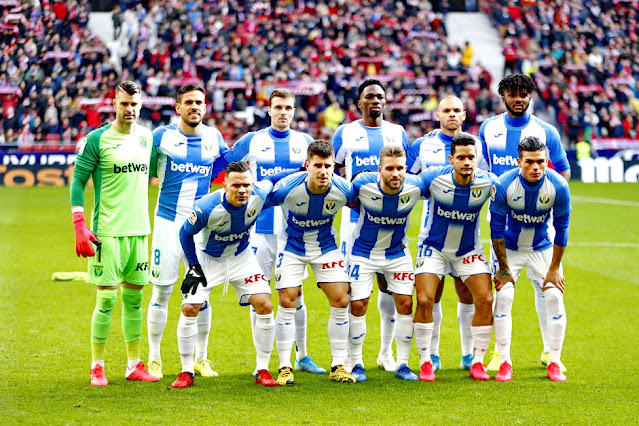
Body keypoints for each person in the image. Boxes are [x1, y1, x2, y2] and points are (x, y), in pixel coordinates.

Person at [221, 89, 323, 374]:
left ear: (294, 111)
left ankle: (302, 356)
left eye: (288, 107)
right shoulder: (253, 140)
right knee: (260, 294)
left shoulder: (305, 142)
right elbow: (226, 168)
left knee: (297, 294)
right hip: (260, 230)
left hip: (294, 230)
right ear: (269, 110)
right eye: (278, 107)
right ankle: (261, 362)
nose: (283, 112)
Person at [479, 74, 571, 371]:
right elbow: (481, 170)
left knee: (547, 289)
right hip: (502, 221)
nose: (518, 98)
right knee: (502, 289)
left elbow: (563, 173)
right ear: (502, 96)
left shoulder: (547, 131)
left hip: (541, 221)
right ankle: (498, 352)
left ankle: (549, 351)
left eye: (524, 93)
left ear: (530, 96)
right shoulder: (488, 128)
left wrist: (542, 198)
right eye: (512, 93)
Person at [70, 80, 158, 386]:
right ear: (114, 104)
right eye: (124, 104)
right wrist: (79, 223)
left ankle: (134, 364)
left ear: (141, 104)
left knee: (134, 301)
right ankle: (97, 365)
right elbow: (77, 181)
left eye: (134, 104)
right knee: (106, 301)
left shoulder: (147, 138)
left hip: (139, 232)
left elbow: (155, 176)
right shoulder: (97, 139)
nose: (129, 109)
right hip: (106, 233)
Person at [146, 84, 229, 379]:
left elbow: (227, 166)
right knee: (162, 290)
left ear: (205, 107)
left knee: (201, 294)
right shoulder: (161, 136)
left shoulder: (214, 137)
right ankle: (154, 358)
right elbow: (144, 165)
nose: (195, 106)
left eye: (200, 102)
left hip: (201, 227)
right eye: (189, 102)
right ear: (178, 107)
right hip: (168, 223)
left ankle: (201, 358)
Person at [172, 161, 278, 388]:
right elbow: (184, 233)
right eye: (236, 185)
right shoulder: (207, 206)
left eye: (247, 185)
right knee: (190, 307)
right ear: (224, 185)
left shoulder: (259, 194)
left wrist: (303, 171)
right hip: (207, 259)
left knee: (265, 305)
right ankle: (186, 371)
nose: (242, 190)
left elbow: (276, 179)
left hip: (242, 257)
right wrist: (193, 266)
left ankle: (263, 369)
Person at [332, 79, 409, 372]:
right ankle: (352, 359)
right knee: (355, 295)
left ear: (385, 102)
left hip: (390, 224)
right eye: (369, 97)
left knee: (389, 288)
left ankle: (385, 353)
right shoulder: (346, 132)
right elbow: (335, 167)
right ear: (359, 103)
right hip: (355, 225)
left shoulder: (396, 132)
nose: (375, 101)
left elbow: (405, 170)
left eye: (380, 96)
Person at [407, 95, 489, 371]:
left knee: (471, 296)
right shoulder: (423, 146)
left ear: (464, 114)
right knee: (431, 296)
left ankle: (470, 355)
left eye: (457, 110)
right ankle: (431, 355)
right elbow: (408, 182)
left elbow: (490, 184)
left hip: (469, 244)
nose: (452, 114)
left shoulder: (478, 146)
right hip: (434, 241)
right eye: (446, 110)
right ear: (437, 115)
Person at [269, 141, 356, 385]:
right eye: (317, 165)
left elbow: (363, 204)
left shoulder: (344, 190)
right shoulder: (286, 188)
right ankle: (285, 367)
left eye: (328, 166)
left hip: (325, 248)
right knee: (288, 300)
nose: (323, 171)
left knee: (341, 299)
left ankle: (338, 365)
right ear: (307, 165)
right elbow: (260, 201)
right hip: (292, 248)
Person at [489, 136, 571, 382]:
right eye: (530, 162)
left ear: (547, 161)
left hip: (541, 248)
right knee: (503, 297)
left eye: (541, 162)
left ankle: (554, 361)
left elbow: (563, 228)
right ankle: (504, 360)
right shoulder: (504, 185)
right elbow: (495, 231)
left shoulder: (558, 186)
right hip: (510, 249)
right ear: (519, 162)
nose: (536, 167)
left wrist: (555, 269)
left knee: (555, 295)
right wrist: (503, 268)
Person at [347, 146, 427, 382]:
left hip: (397, 253)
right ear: (379, 170)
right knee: (359, 304)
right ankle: (355, 362)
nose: (395, 174)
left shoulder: (416, 186)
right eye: (389, 168)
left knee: (405, 303)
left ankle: (402, 363)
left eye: (400, 168)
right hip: (363, 252)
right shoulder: (362, 184)